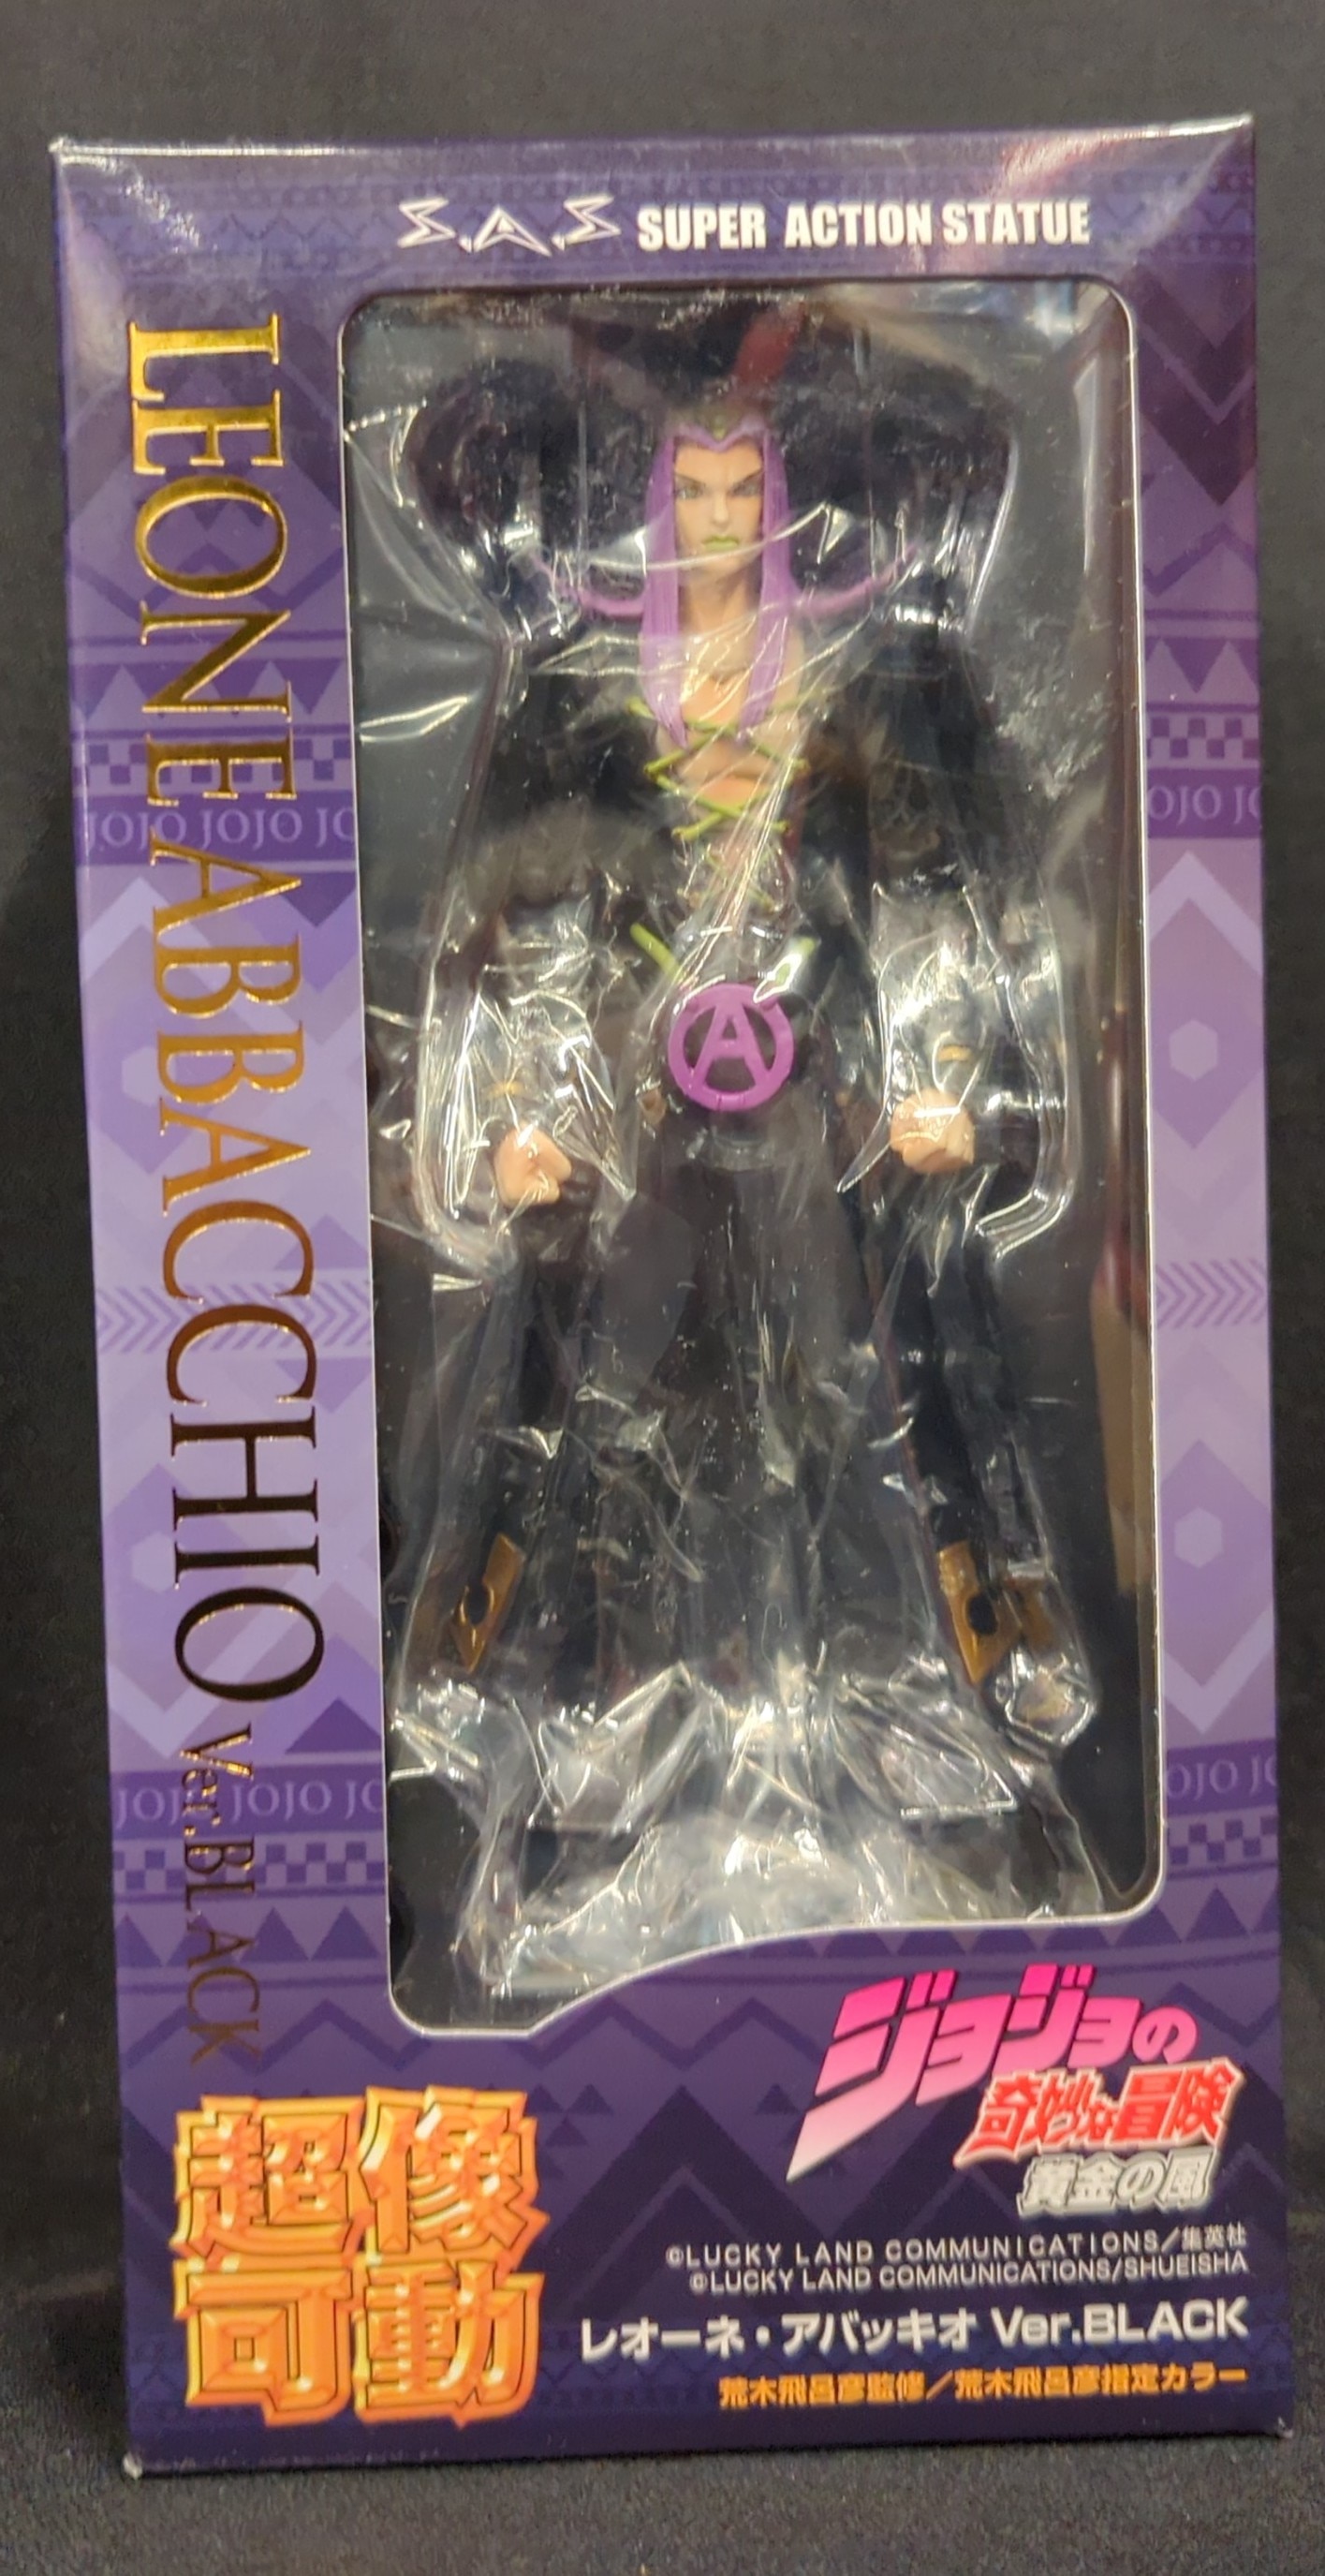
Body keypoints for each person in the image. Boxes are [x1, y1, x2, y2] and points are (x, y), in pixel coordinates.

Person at [394, 391, 1097, 2009]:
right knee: (619, 1451)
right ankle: (594, 1804)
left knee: (875, 1433)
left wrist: (944, 1080)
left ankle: (925, 1790)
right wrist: (522, 1115)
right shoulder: (584, 695)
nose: (719, 519)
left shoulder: (862, 684)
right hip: (640, 1155)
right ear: (657, 505)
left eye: (742, 489)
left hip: (830, 1141)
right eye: (694, 490)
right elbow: (521, 917)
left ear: (780, 504)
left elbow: (937, 898)